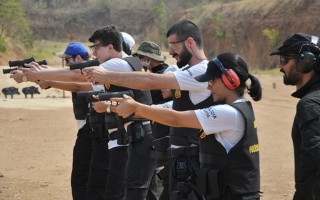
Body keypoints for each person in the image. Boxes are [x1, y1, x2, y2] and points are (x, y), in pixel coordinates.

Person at [84, 19, 212, 199]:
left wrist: (106, 76)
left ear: (189, 42)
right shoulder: (192, 73)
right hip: (181, 160)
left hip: (192, 159)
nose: (170, 52)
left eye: (173, 46)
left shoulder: (201, 71)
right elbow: (168, 108)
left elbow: (150, 82)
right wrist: (126, 107)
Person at [110, 52, 262, 200]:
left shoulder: (228, 113)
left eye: (212, 81)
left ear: (229, 80)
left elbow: (176, 119)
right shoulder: (239, 108)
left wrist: (136, 107)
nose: (209, 88)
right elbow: (172, 111)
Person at [10, 43, 109, 200]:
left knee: (83, 177)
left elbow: (77, 85)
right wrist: (43, 78)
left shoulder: (92, 71)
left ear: (77, 58)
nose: (66, 64)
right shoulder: (88, 69)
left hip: (93, 129)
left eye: (67, 59)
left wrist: (45, 79)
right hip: (90, 128)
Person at [270, 33, 320, 200]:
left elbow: (315, 161)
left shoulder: (309, 104)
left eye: (285, 59)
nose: (280, 65)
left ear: (305, 61)